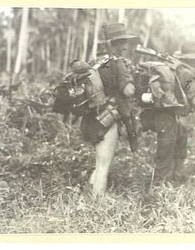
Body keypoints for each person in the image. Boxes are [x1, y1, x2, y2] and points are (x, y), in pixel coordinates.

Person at [136, 41, 195, 184]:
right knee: (166, 154)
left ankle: (175, 178)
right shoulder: (187, 74)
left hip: (162, 115)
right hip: (169, 117)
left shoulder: (174, 69)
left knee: (175, 146)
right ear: (193, 60)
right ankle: (158, 187)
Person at [81, 23, 137, 196]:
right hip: (108, 119)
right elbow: (128, 90)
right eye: (122, 43)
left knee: (99, 162)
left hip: (92, 117)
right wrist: (133, 82)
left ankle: (88, 196)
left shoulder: (96, 63)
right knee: (104, 165)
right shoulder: (118, 64)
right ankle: (97, 207)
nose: (125, 46)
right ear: (113, 44)